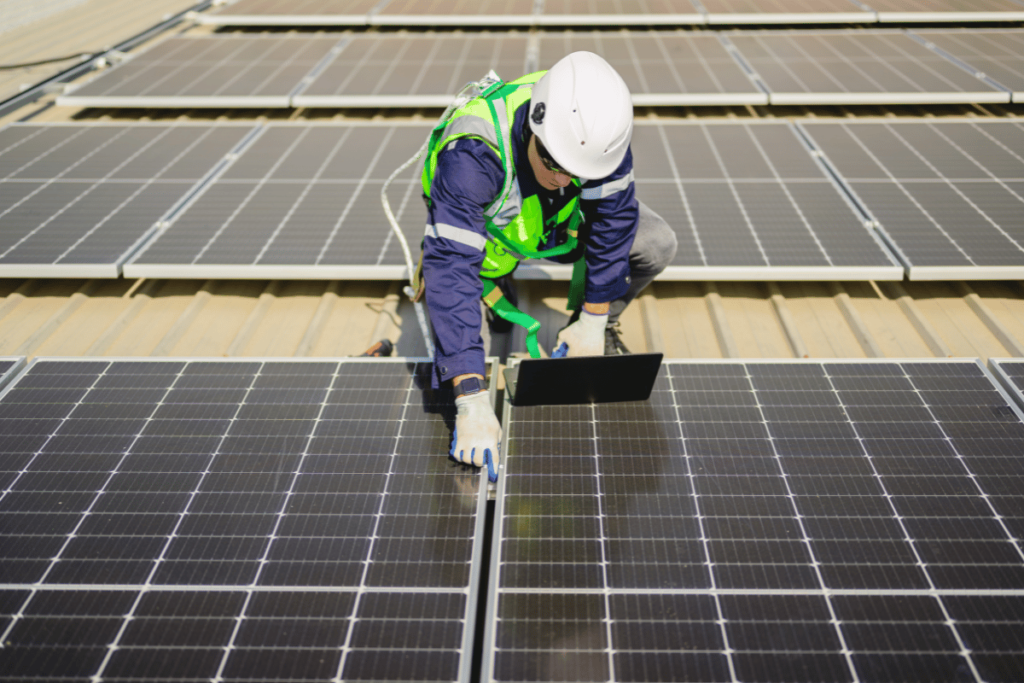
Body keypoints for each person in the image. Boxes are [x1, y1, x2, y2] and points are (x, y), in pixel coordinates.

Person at [418, 51, 677, 481]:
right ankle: (496, 289)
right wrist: (469, 395)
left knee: (655, 242)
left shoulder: (600, 136)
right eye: (553, 163)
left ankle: (591, 329)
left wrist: (593, 318)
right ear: (535, 127)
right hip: (485, 248)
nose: (562, 179)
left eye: (577, 173)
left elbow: (613, 223)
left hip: (556, 229)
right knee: (464, 357)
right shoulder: (473, 154)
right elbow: (452, 265)